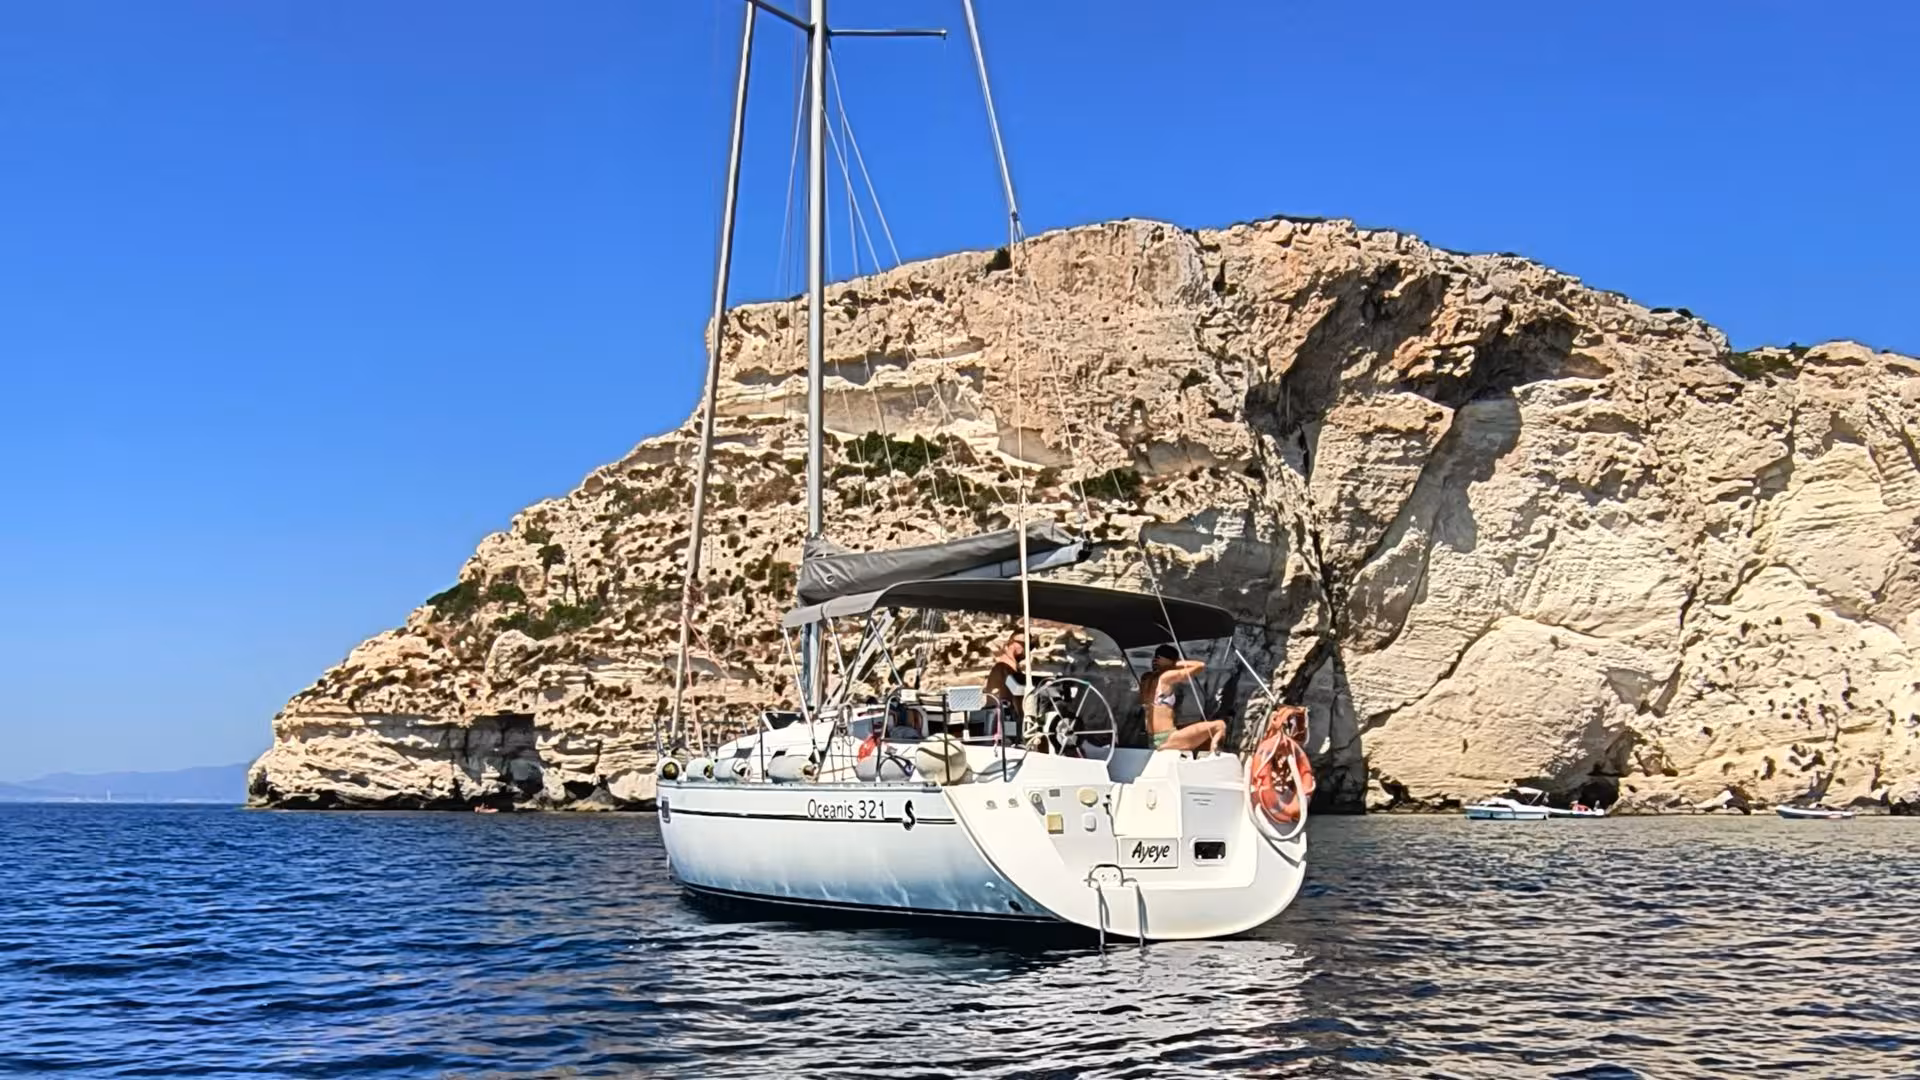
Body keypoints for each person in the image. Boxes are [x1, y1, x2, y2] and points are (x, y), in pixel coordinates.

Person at [1140, 644, 1223, 752]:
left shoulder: (1145, 679)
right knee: (1219, 725)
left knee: (1191, 727)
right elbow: (1200, 666)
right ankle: (1214, 755)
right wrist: (1174, 664)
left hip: (1152, 739)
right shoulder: (1166, 677)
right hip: (1167, 738)